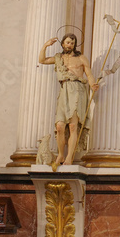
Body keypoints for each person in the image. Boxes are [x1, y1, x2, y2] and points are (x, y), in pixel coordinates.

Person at [39, 34, 99, 170]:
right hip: (64, 89)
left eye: (72, 43)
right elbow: (41, 60)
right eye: (67, 42)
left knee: (73, 126)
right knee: (60, 126)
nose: (69, 45)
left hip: (77, 90)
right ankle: (60, 154)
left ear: (74, 44)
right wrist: (45, 45)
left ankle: (69, 157)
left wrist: (93, 84)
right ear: (62, 44)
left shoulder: (81, 58)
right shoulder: (58, 58)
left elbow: (88, 74)